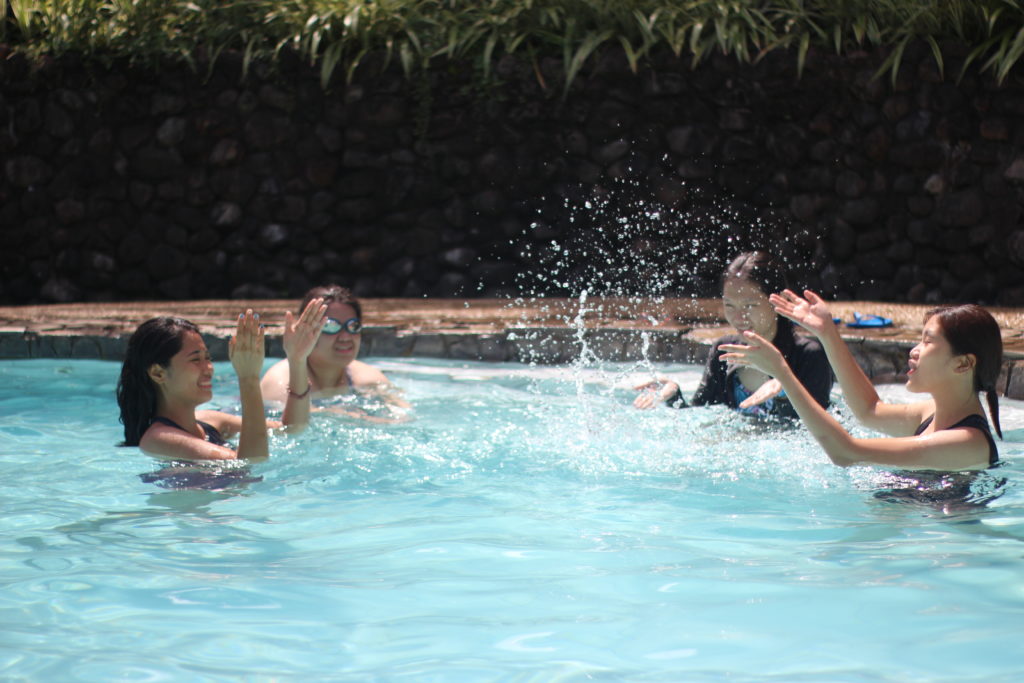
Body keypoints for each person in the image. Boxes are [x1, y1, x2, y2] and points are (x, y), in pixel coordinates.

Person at [720, 290, 1002, 471]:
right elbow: (869, 410)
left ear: (964, 363)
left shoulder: (967, 442)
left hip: (936, 552)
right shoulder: (930, 413)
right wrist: (827, 333)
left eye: (928, 342)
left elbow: (846, 453)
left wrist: (783, 372)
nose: (914, 351)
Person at [634, 251, 833, 419]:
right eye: (729, 305)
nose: (738, 317)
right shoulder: (725, 351)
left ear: (778, 301)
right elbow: (702, 418)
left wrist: (786, 390)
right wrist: (673, 395)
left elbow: (827, 435)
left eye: (750, 305)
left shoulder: (809, 356)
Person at [117, 307, 321, 461]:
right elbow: (250, 465)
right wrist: (248, 378)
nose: (209, 368)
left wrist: (297, 360)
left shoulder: (210, 421)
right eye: (196, 359)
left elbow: (293, 428)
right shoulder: (159, 439)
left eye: (208, 358)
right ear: (158, 373)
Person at [261, 285, 405, 423]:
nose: (345, 337)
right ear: (307, 330)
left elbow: (404, 417)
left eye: (353, 326)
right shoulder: (279, 382)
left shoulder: (367, 378)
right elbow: (292, 426)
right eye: (331, 326)